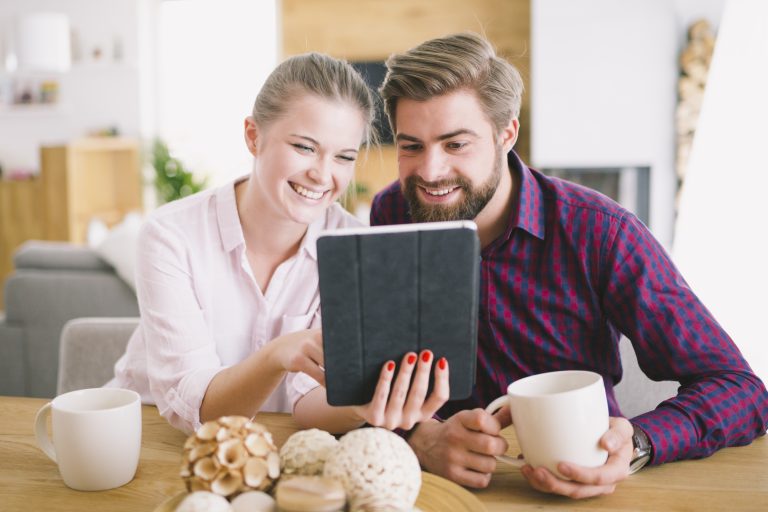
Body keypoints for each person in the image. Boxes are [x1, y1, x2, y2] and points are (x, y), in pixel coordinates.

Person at [369, 32, 768, 498]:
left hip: (580, 485)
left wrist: (638, 442)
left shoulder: (601, 232)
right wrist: (422, 438)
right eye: (411, 146)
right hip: (441, 492)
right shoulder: (392, 214)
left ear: (506, 134)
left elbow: (741, 390)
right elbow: (375, 376)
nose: (430, 171)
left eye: (455, 144)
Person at [108, 52, 448, 434]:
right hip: (146, 436)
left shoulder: (352, 249)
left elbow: (309, 401)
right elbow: (196, 410)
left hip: (271, 442)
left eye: (344, 157)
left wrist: (364, 403)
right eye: (304, 147)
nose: (322, 174)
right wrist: (276, 356)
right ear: (254, 137)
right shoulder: (172, 237)